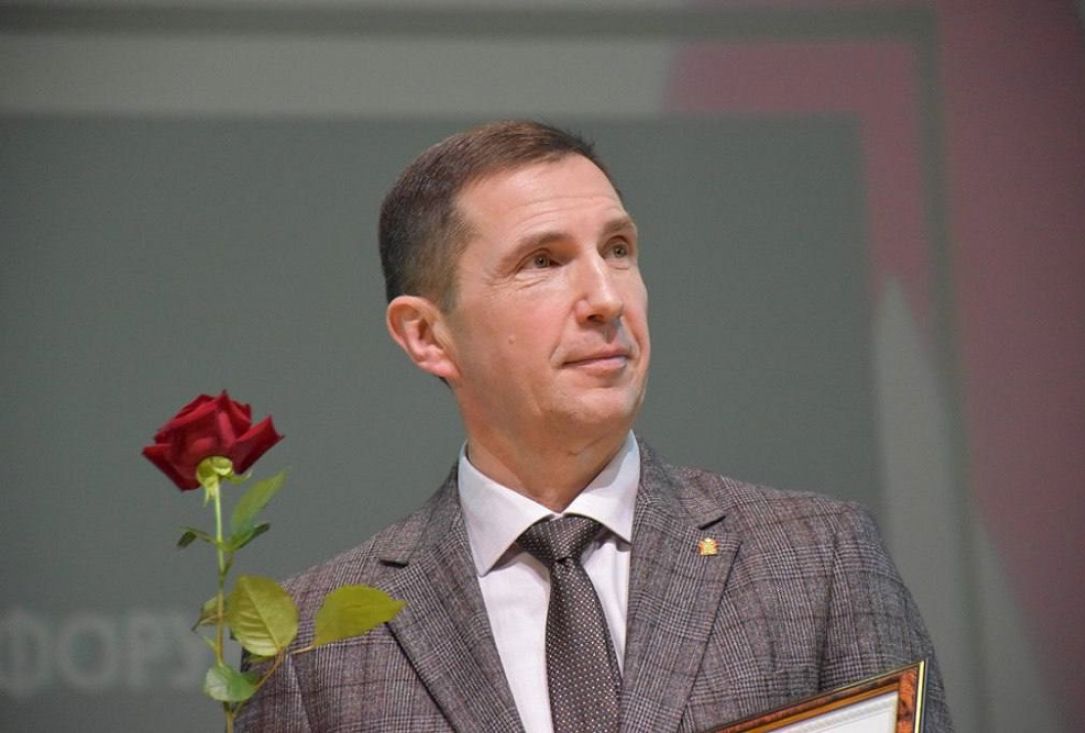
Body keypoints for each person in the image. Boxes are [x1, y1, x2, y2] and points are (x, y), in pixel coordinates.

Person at [239, 121, 953, 732]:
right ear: (427, 335)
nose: (607, 298)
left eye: (617, 249)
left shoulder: (817, 562)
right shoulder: (309, 644)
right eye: (543, 261)